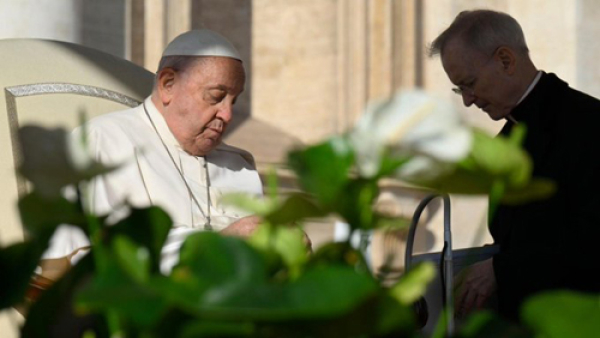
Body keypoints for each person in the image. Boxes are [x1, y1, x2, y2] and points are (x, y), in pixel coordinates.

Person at [42, 29, 266, 274]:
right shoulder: (101, 142)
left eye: (233, 101)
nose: (227, 114)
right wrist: (217, 244)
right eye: (216, 96)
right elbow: (92, 255)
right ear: (168, 84)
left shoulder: (239, 165)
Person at [428, 9, 600, 322]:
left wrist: (502, 269)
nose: (467, 100)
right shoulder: (504, 142)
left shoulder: (590, 123)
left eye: (469, 84)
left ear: (506, 60)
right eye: (459, 90)